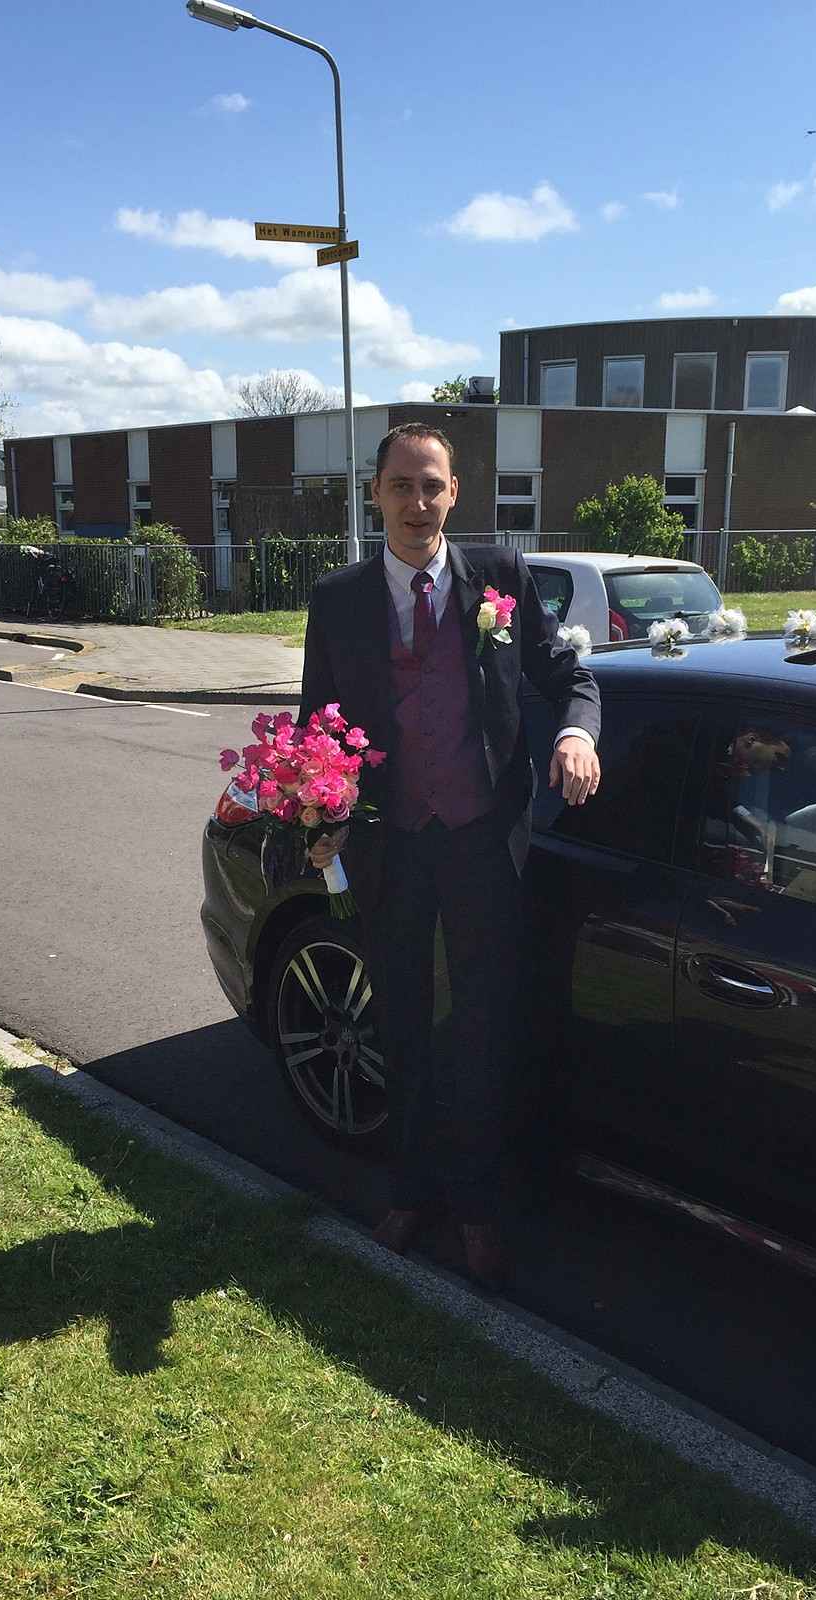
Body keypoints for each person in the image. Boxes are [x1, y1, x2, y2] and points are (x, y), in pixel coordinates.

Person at [298, 422, 601, 1289]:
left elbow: (568, 676)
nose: (417, 502)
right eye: (401, 485)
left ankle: (477, 1207)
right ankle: (408, 1190)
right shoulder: (338, 599)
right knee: (398, 1020)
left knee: (482, 1027)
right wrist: (320, 807)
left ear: (454, 493)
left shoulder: (500, 577)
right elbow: (320, 723)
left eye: (431, 485)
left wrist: (576, 734)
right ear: (375, 493)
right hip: (391, 843)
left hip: (480, 842)